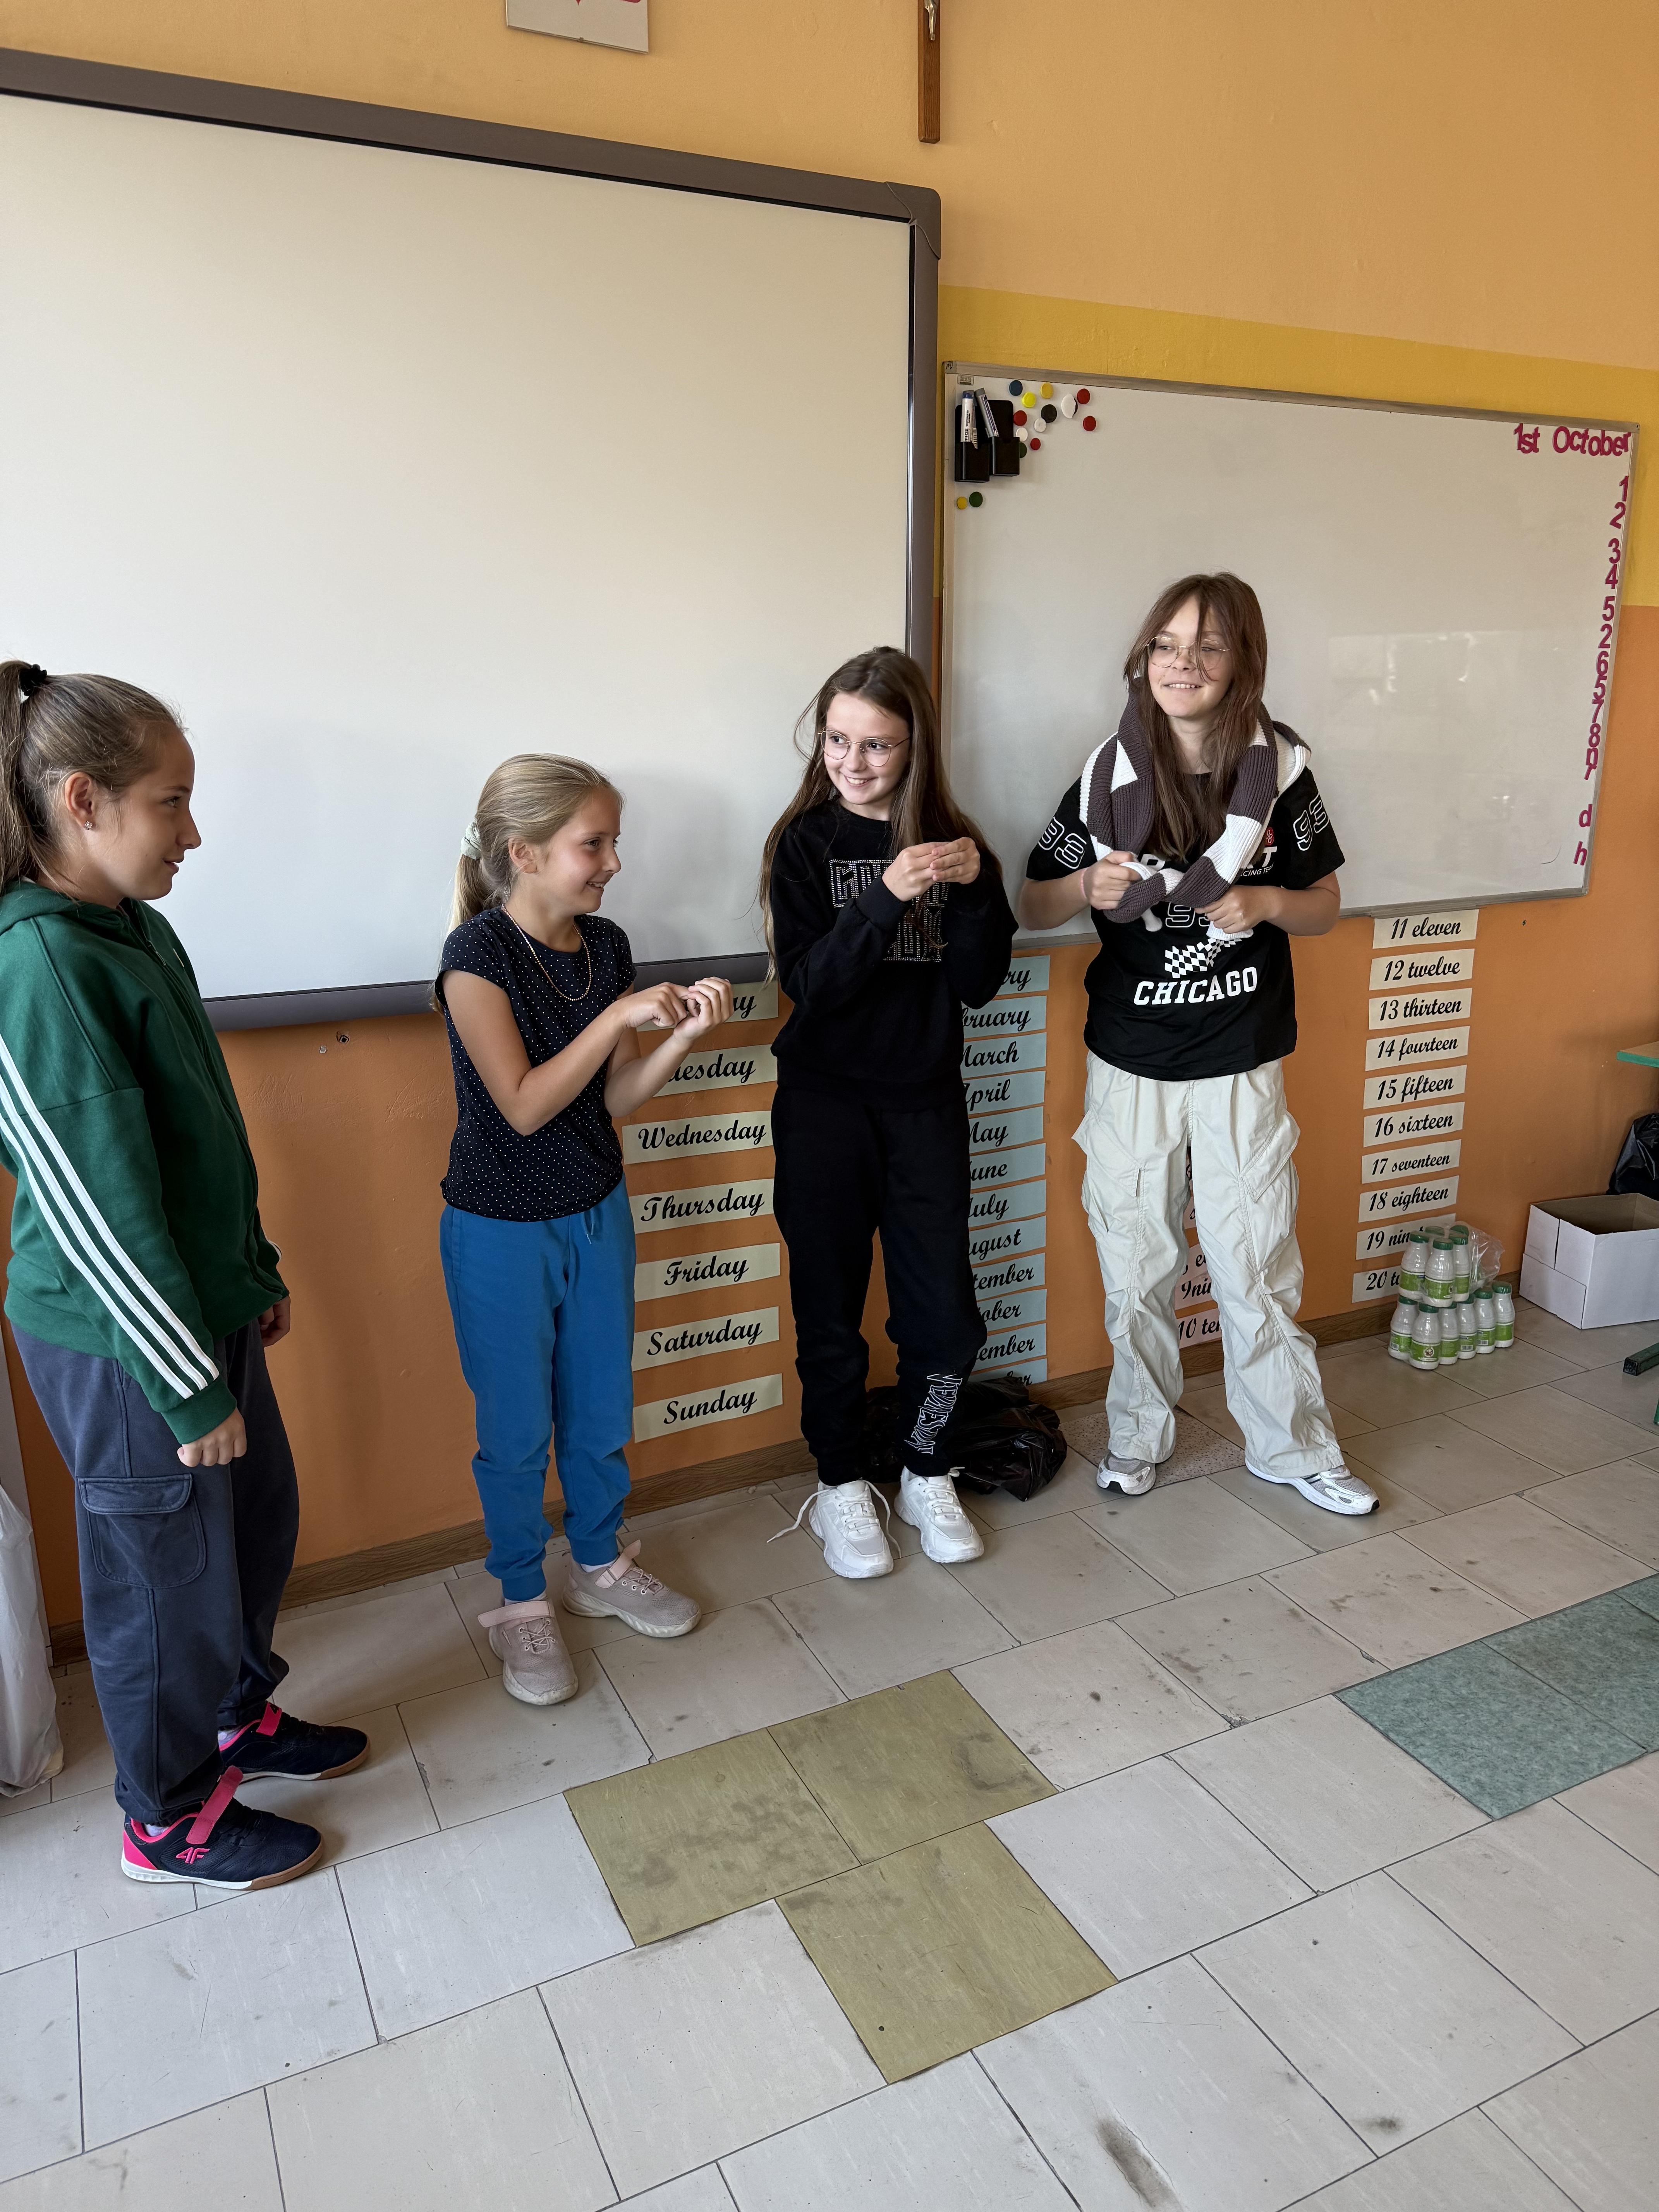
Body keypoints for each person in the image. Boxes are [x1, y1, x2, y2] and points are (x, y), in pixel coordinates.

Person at [0, 660, 366, 1894]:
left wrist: (250, 1271)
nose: (193, 832)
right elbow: (95, 1211)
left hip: (198, 1310)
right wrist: (184, 1382)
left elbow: (200, 1136)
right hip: (120, 1344)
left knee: (253, 1527)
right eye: (171, 802)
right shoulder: (39, 967)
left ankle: (232, 1719)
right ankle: (161, 1820)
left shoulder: (134, 927)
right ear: (82, 800)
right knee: (159, 1586)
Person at [1019, 576, 1377, 1516]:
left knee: (1255, 1264)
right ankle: (1139, 1436)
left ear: (1242, 663)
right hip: (1131, 1062)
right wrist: (1084, 890)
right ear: (1144, 656)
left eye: (1209, 646)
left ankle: (1291, 1447)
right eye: (1167, 644)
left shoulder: (1281, 772)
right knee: (1137, 1266)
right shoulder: (1104, 775)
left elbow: (1326, 907)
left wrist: (1265, 902)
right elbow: (1034, 901)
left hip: (1240, 1059)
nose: (1184, 663)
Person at [437, 754, 732, 1705]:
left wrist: (679, 1036)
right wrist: (614, 1020)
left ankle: (599, 1564)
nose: (613, 862)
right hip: (500, 1230)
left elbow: (615, 1099)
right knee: (517, 1430)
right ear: (523, 853)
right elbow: (524, 1106)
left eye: (614, 841)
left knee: (602, 1409)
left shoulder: (605, 945)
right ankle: (523, 1599)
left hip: (598, 1213)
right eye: (592, 844)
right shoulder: (475, 958)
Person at [762, 647, 1016, 1577]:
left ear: (916, 749)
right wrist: (885, 896)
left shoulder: (956, 842)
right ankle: (840, 1482)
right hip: (824, 1105)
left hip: (925, 1108)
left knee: (943, 1314)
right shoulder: (802, 843)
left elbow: (979, 983)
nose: (852, 762)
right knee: (829, 1311)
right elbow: (813, 985)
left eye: (877, 745)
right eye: (837, 739)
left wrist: (976, 886)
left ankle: (926, 1467)